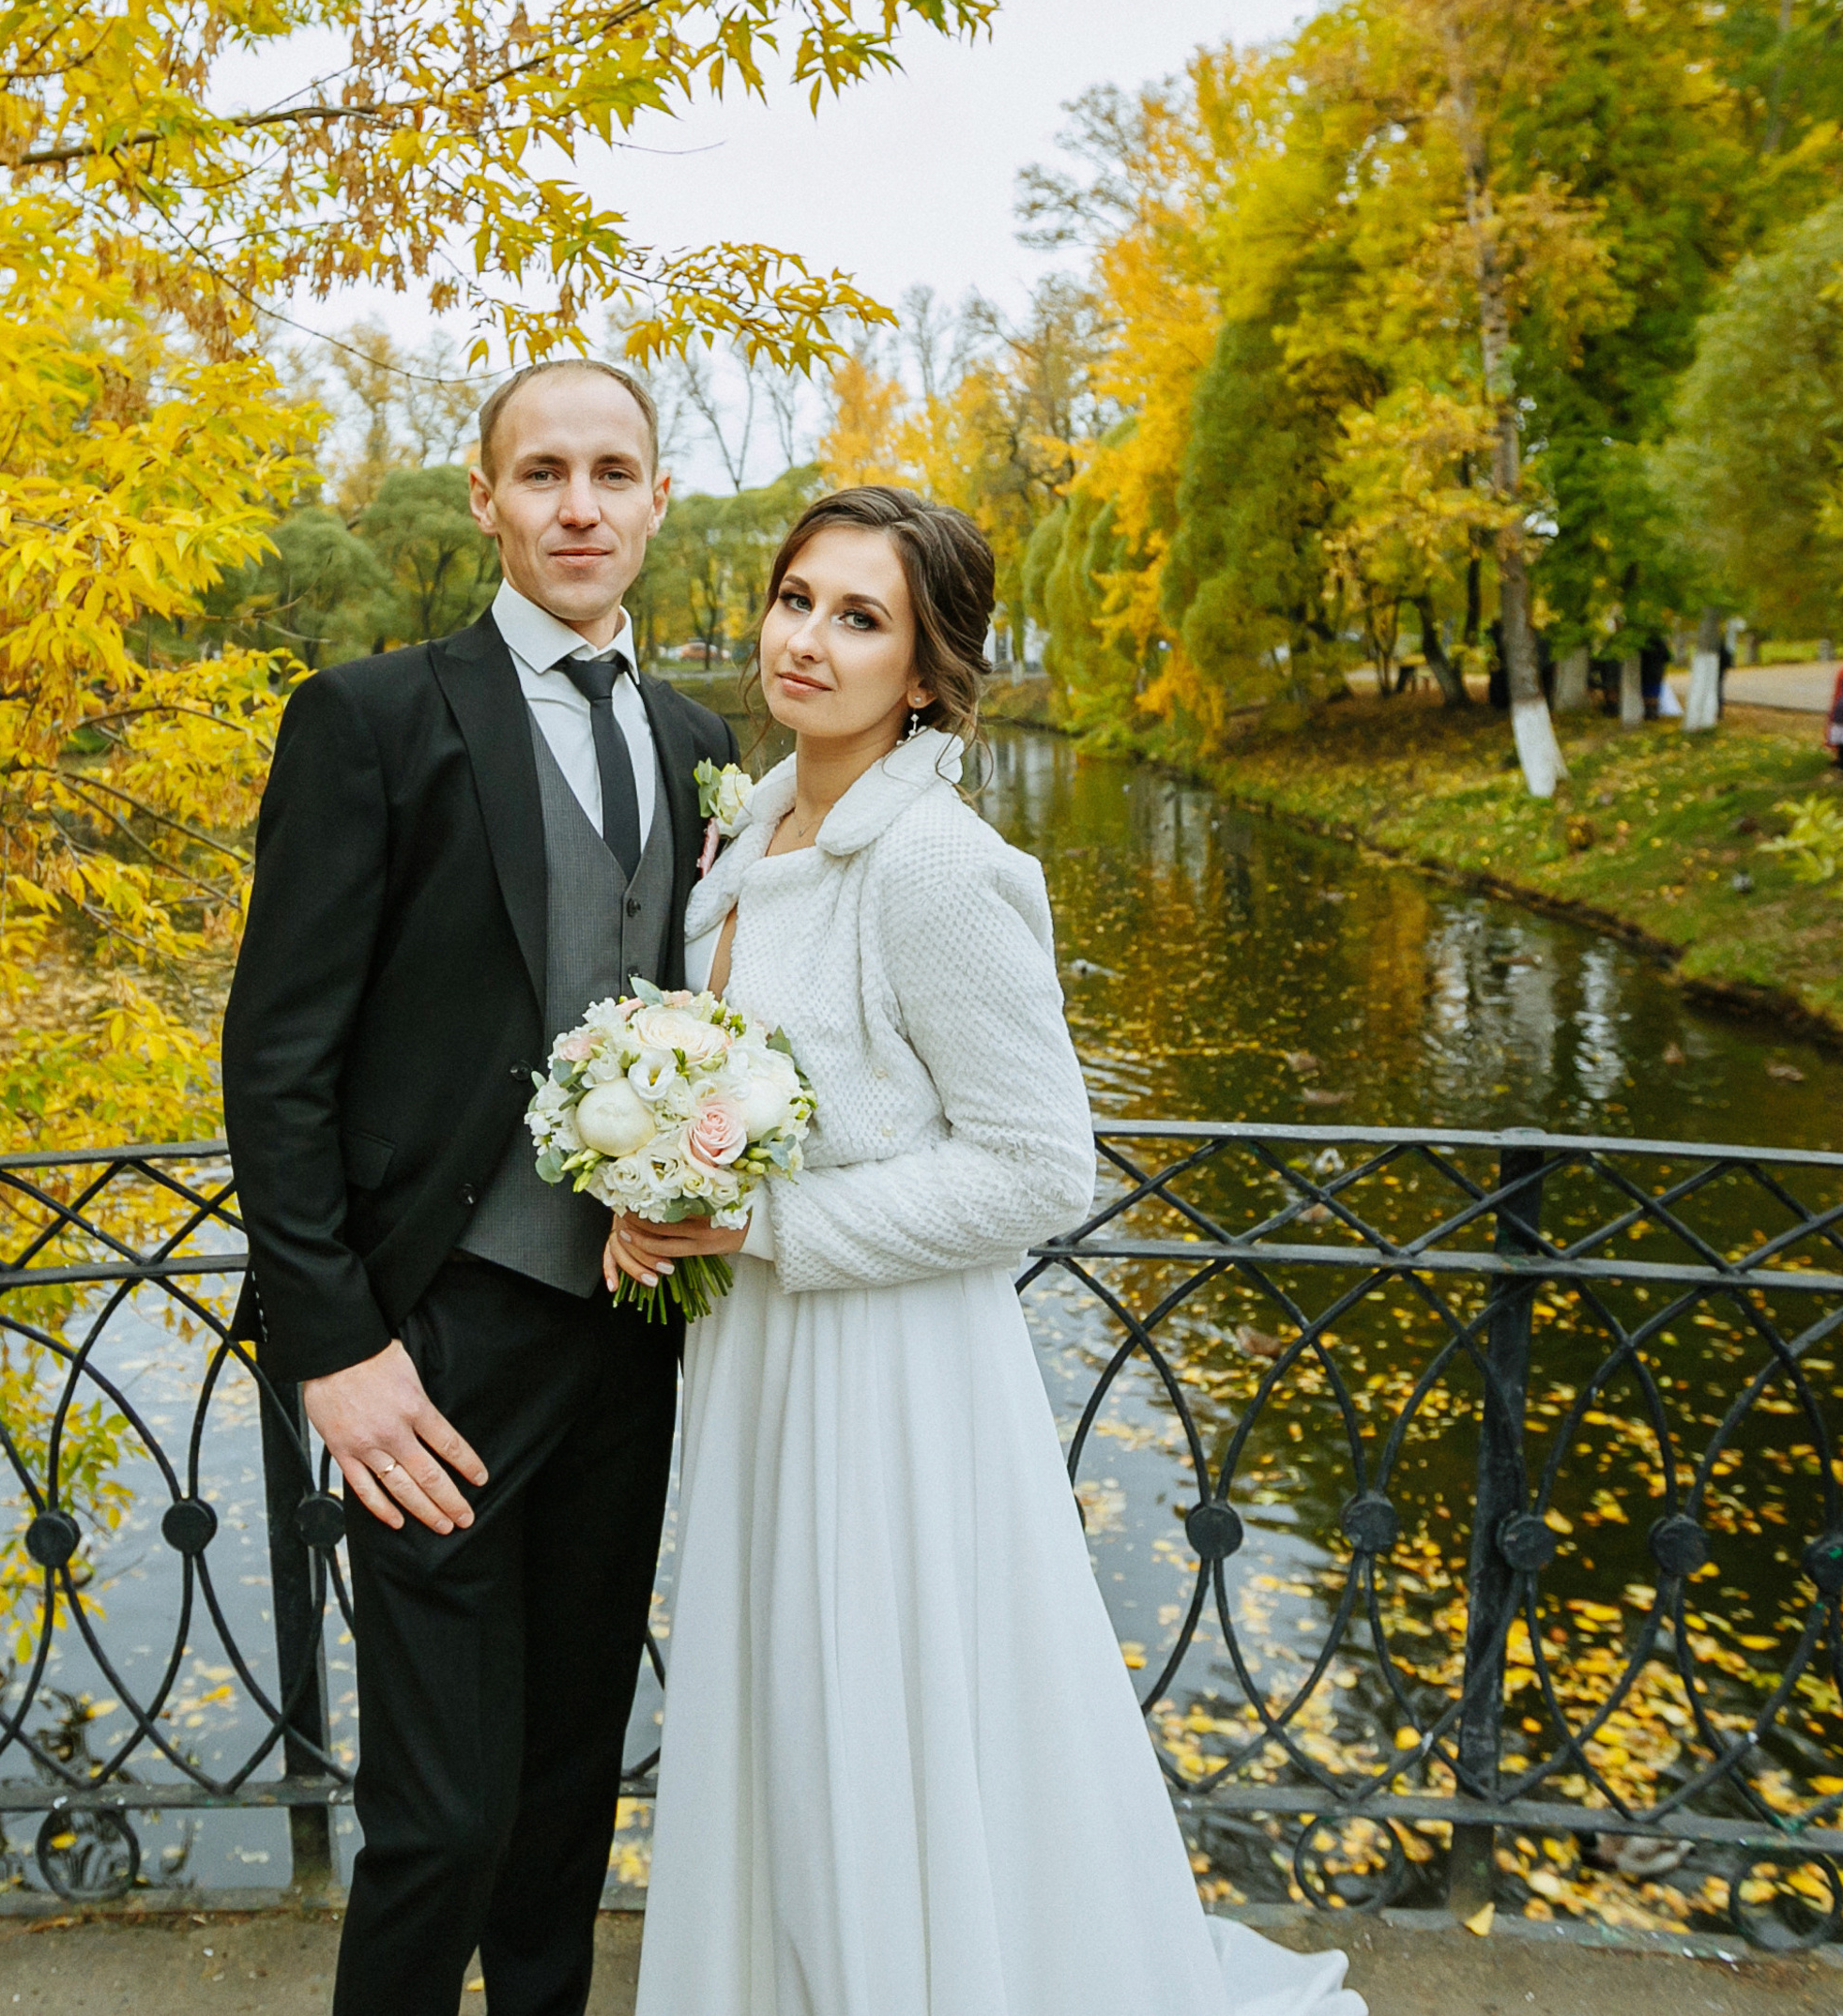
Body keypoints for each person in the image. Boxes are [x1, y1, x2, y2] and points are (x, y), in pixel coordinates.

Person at [618, 486, 1364, 2016]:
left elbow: (1038, 1164)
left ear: (931, 666)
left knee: (874, 1720)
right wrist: (650, 1173)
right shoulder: (750, 826)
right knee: (776, 1709)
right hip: (758, 1359)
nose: (807, 641)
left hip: (887, 1373)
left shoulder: (938, 867)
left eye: (860, 617)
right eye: (796, 599)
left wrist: (761, 1221)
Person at [221, 359, 735, 2016]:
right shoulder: (372, 718)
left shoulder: (699, 738)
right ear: (486, 502)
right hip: (428, 1352)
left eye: (611, 473)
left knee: (567, 1796)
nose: (578, 506)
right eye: (542, 474)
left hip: (631, 1335)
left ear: (658, 496)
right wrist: (335, 1350)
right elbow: (277, 1060)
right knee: (438, 1815)